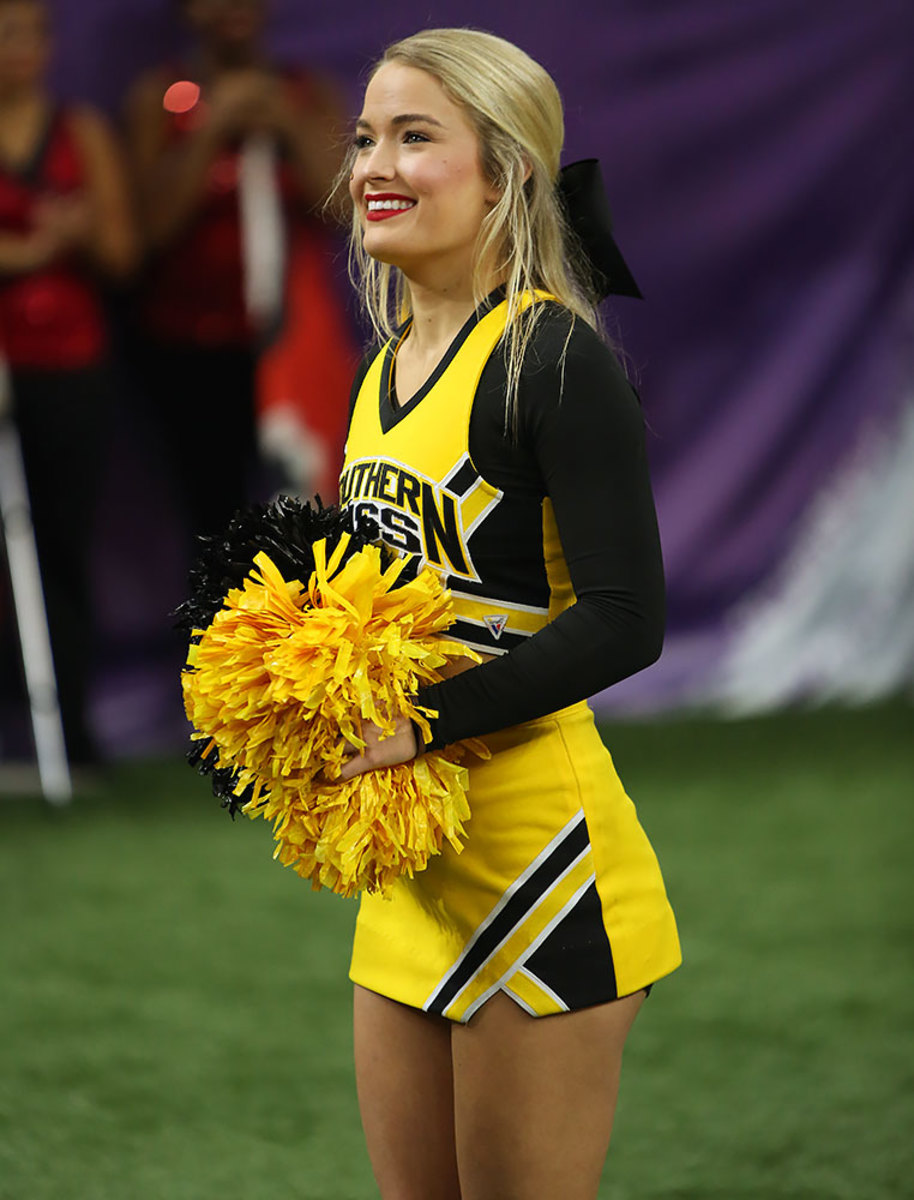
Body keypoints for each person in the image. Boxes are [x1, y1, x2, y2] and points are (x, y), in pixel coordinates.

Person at [332, 28, 681, 1199]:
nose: (375, 165)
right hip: (410, 872)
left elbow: (625, 618)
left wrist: (420, 722)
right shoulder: (381, 368)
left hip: (542, 872)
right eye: (365, 138)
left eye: (414, 136)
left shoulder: (549, 358)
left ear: (505, 173)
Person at [124, 0, 353, 544]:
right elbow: (148, 232)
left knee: (311, 499)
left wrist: (288, 125)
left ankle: (313, 599)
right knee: (213, 514)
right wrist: (211, 129)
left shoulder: (307, 93)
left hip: (292, 342)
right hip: (189, 344)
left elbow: (344, 209)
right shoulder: (161, 97)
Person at [0, 0, 136, 764]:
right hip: (5, 361)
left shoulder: (79, 131)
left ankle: (70, 733)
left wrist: (79, 236)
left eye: (32, 32)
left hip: (71, 366)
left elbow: (123, 253)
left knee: (60, 542)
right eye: (4, 34)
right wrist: (28, 252)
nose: (19, 48)